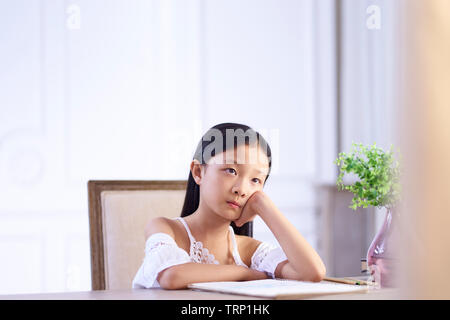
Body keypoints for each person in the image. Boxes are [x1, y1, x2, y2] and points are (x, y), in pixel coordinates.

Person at [132, 123, 326, 289]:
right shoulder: (165, 229)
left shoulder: (249, 251)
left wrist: (263, 204)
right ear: (198, 172)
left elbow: (312, 272)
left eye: (256, 180)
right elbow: (172, 277)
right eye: (231, 170)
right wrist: (244, 274)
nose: (241, 189)